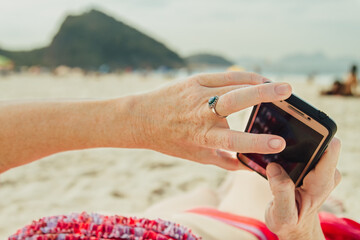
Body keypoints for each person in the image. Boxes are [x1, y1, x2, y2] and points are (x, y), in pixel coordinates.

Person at [1, 72, 358, 239]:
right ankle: (326, 209)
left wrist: (140, 120)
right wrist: (301, 230)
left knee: (218, 187)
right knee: (252, 179)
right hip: (208, 231)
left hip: (143, 224)